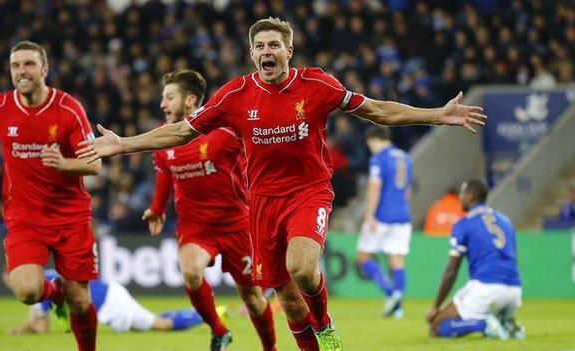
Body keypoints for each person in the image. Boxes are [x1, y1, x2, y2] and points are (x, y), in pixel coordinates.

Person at [77, 18, 486, 351]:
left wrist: (437, 115)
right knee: (288, 299)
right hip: (262, 204)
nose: (267, 52)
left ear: (288, 51)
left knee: (302, 267)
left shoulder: (317, 85)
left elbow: (378, 111)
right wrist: (123, 145)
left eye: (274, 45)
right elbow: (182, 132)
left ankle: (325, 325)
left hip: (309, 193)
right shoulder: (234, 95)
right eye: (260, 46)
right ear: (252, 53)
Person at [0, 41, 100, 351]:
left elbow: (94, 164)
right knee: (27, 290)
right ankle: (54, 294)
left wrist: (64, 163)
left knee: (81, 300)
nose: (21, 71)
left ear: (45, 69)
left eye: (29, 64)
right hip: (24, 219)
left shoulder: (69, 109)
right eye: (15, 66)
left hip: (71, 218)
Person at [141, 70, 276, 351]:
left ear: (190, 100)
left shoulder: (223, 132)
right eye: (163, 98)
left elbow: (258, 151)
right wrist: (157, 208)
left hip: (237, 224)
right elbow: (165, 172)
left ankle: (270, 348)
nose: (163, 104)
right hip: (195, 226)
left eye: (169, 98)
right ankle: (219, 330)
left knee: (251, 297)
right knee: (190, 272)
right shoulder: (162, 138)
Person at [426, 180, 525, 340]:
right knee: (488, 306)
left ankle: (484, 324)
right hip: (514, 290)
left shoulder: (463, 224)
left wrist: (436, 306)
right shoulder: (505, 221)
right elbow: (515, 258)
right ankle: (504, 321)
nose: (459, 197)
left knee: (436, 326)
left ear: (471, 196)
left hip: (487, 288)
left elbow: (452, 271)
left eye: (462, 193)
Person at [5, 270, 216, 335]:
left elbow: (41, 328)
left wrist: (20, 330)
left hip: (111, 303)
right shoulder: (45, 277)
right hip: (108, 297)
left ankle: (212, 314)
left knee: (161, 325)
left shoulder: (42, 286)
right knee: (156, 320)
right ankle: (202, 312)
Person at [356, 126, 412, 319]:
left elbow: (375, 187)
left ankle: (390, 293)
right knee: (396, 257)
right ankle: (398, 306)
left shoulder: (379, 158)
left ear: (374, 140)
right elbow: (408, 190)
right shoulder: (405, 157)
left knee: (364, 256)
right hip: (403, 215)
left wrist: (370, 215)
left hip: (382, 215)